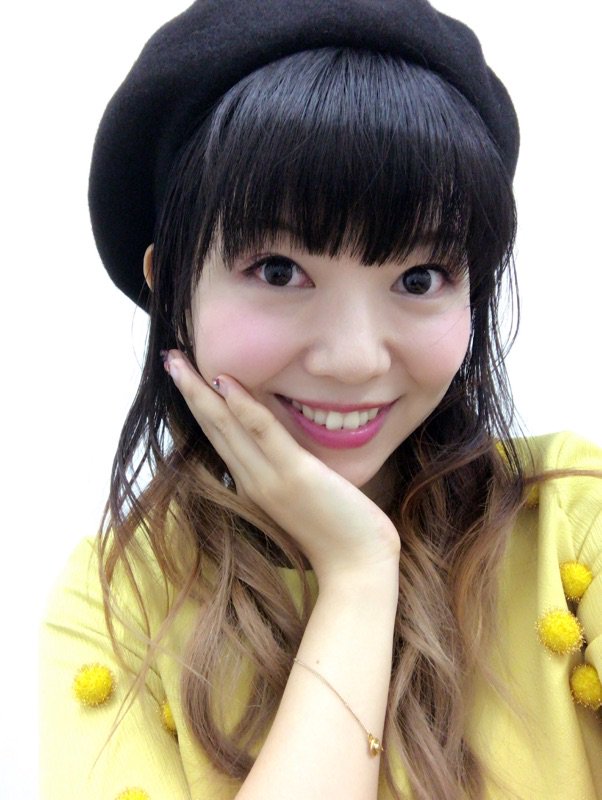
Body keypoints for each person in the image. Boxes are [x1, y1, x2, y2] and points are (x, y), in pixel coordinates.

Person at [39, 1, 602, 798]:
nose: (353, 358)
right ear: (170, 289)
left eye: (419, 278)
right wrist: (358, 575)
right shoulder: (121, 607)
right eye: (279, 271)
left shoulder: (572, 526)